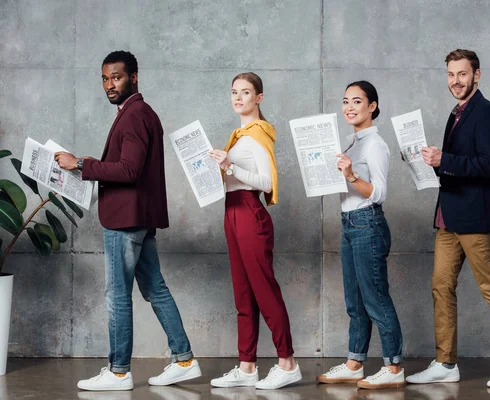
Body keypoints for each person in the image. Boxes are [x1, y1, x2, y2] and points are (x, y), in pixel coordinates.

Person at [55, 50, 200, 391]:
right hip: (140, 218)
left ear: (134, 77)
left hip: (125, 221)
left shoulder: (134, 115)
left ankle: (119, 371)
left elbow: (130, 171)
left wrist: (79, 165)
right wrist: (93, 162)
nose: (110, 85)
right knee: (155, 289)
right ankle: (185, 359)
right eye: (105, 78)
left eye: (116, 77)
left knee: (117, 294)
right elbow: (127, 163)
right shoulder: (139, 112)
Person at [406, 49, 490, 389]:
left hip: (474, 219)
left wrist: (446, 159)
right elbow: (458, 161)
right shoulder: (457, 113)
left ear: (477, 75)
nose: (456, 81)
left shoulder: (487, 113)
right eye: (451, 75)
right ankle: (445, 363)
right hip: (449, 217)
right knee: (441, 287)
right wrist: (433, 162)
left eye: (462, 74)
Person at [208, 72, 302, 390]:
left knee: (264, 291)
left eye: (245, 92)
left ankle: (287, 362)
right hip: (232, 213)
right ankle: (247, 367)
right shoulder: (239, 135)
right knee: (243, 295)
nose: (238, 97)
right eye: (234, 91)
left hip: (249, 212)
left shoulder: (258, 134)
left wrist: (230, 167)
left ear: (258, 98)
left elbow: (267, 182)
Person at [316, 81, 404, 390]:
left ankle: (393, 368)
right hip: (349, 223)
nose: (349, 107)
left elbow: (378, 193)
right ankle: (355, 363)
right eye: (345, 101)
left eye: (357, 101)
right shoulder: (351, 142)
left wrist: (351, 174)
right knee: (354, 300)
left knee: (376, 299)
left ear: (372, 107)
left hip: (368, 224)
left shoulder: (375, 144)